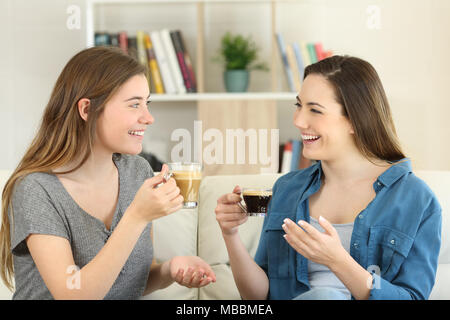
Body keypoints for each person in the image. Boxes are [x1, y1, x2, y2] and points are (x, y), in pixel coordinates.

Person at [215, 55, 442, 300]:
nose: (299, 120)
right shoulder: (287, 189)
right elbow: (258, 298)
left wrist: (338, 261)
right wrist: (230, 235)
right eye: (299, 105)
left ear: (356, 120)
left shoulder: (417, 200)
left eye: (315, 110)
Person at [0, 46, 215, 299]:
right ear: (86, 110)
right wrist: (136, 216)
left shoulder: (137, 171)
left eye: (147, 104)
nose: (148, 117)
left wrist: (169, 270)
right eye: (134, 105)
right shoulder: (36, 189)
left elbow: (126, 281)